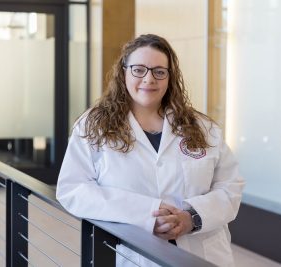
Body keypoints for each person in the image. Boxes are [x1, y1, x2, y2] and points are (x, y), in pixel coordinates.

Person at [56, 34, 244, 267]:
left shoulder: (202, 128)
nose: (149, 79)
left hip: (200, 254)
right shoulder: (93, 126)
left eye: (159, 71)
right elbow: (72, 189)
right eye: (139, 70)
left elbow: (230, 186)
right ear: (123, 72)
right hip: (131, 256)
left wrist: (192, 217)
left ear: (169, 78)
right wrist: (146, 214)